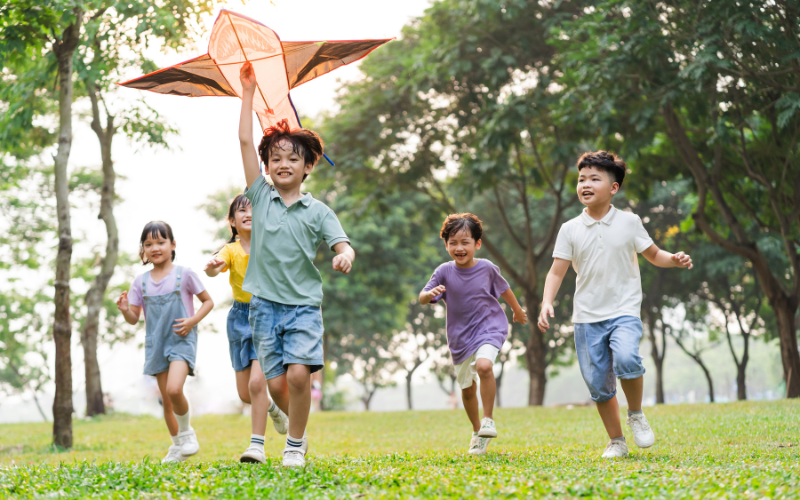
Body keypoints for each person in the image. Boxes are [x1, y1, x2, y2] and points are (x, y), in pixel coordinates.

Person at [238, 61, 356, 467]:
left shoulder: (318, 211)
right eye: (275, 158)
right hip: (264, 305)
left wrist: (343, 255)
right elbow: (242, 141)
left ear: (308, 166)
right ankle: (295, 432)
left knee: (299, 375)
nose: (282, 163)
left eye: (292, 157)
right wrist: (248, 93)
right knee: (275, 385)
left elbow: (343, 244)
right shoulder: (259, 198)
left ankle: (293, 445)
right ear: (267, 167)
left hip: (304, 303)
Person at [538, 151, 693, 459]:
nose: (586, 184)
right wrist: (546, 302)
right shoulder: (570, 228)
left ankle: (635, 413)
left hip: (624, 310)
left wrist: (673, 260)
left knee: (627, 359)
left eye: (595, 178)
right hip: (586, 317)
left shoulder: (629, 222)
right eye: (582, 179)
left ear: (614, 188)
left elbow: (653, 254)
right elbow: (557, 270)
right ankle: (617, 442)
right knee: (599, 385)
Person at [419, 213, 527, 455]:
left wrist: (518, 311)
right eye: (453, 242)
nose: (459, 247)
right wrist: (429, 294)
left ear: (477, 244)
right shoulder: (444, 272)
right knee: (467, 390)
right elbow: (422, 297)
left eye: (465, 242)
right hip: (460, 338)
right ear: (446, 244)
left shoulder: (487, 268)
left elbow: (505, 290)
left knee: (484, 366)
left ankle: (488, 419)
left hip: (490, 327)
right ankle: (478, 431)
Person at [116, 221, 214, 463]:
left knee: (173, 389)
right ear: (143, 250)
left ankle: (187, 434)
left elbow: (208, 302)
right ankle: (177, 446)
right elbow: (133, 318)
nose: (155, 248)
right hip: (156, 343)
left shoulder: (185, 274)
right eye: (148, 244)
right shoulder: (141, 282)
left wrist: (192, 321)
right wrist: (125, 309)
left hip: (181, 339)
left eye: (161, 242)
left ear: (173, 245)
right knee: (166, 401)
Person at [204, 194, 290, 464]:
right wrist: (212, 268)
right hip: (240, 319)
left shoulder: (269, 244)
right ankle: (273, 407)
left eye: (254, 209)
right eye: (241, 210)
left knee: (256, 383)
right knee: (246, 394)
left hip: (267, 316)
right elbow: (216, 266)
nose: (248, 213)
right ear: (232, 221)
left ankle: (257, 447)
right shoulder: (230, 249)